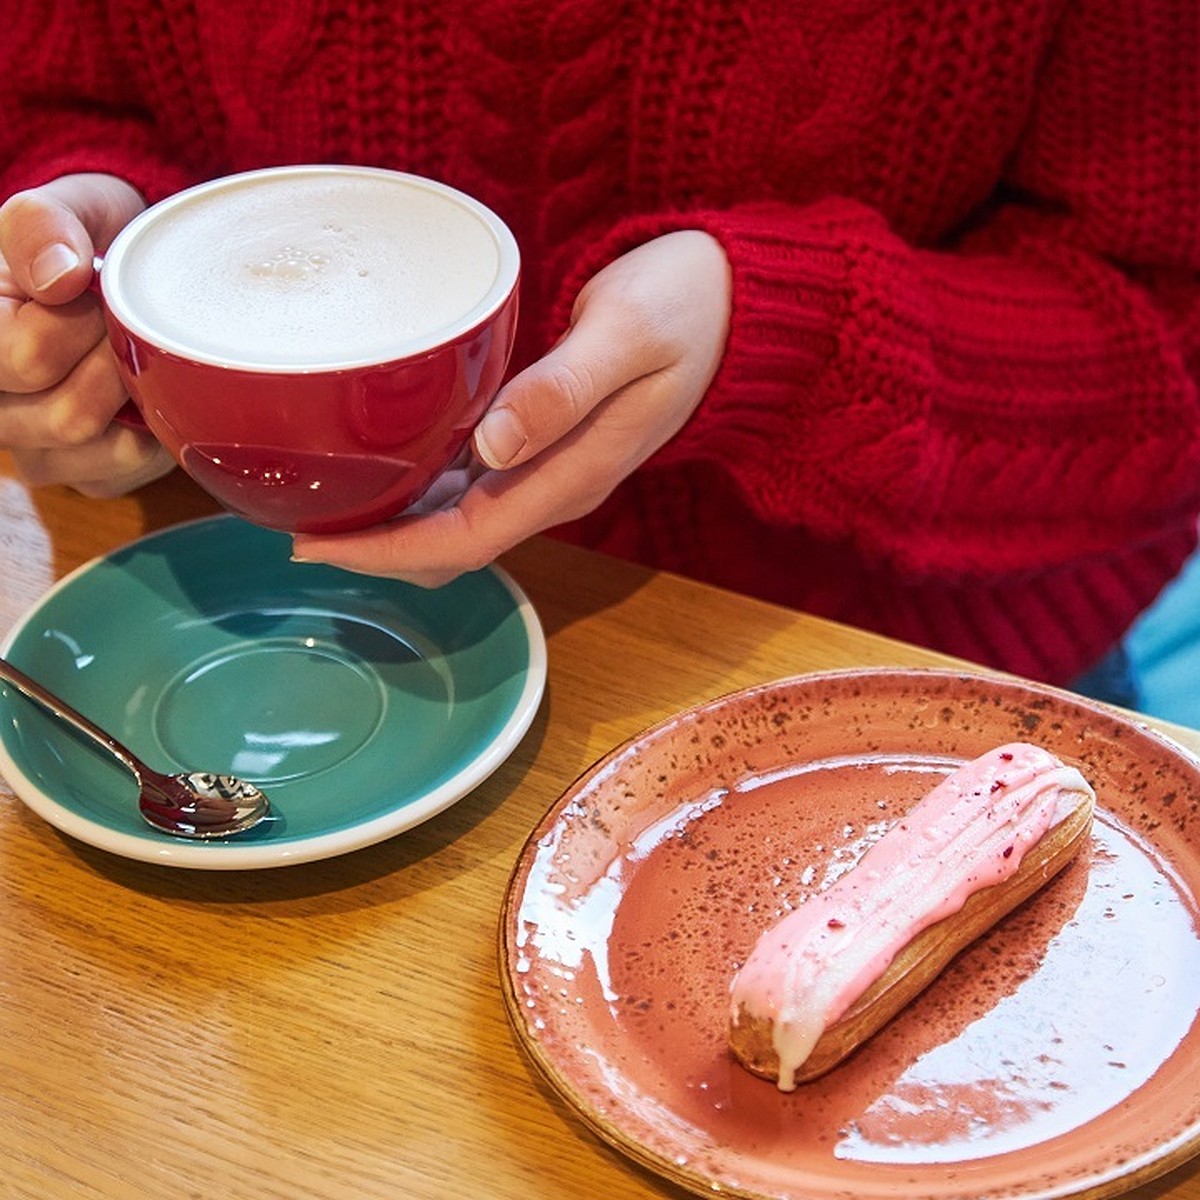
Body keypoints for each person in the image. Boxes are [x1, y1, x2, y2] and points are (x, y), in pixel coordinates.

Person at [1, 0, 1198, 698]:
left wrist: (787, 339)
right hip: (227, 621)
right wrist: (89, 255)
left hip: (870, 677)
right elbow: (53, 98)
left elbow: (1170, 350)